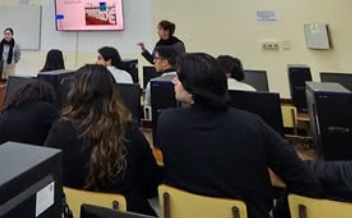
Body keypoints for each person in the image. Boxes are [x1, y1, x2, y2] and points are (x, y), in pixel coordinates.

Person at [157, 53, 320, 218]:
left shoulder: (167, 121)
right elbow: (303, 180)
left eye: (179, 78)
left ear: (193, 86)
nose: (173, 81)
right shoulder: (252, 125)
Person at [45, 64, 160, 216]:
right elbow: (150, 186)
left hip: (74, 211)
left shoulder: (59, 129)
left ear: (74, 92)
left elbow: (48, 177)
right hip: (124, 212)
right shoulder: (129, 131)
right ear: (113, 93)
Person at [0, 80, 59, 147]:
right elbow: (58, 132)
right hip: (29, 152)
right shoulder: (47, 109)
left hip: (0, 152)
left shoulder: (8, 109)